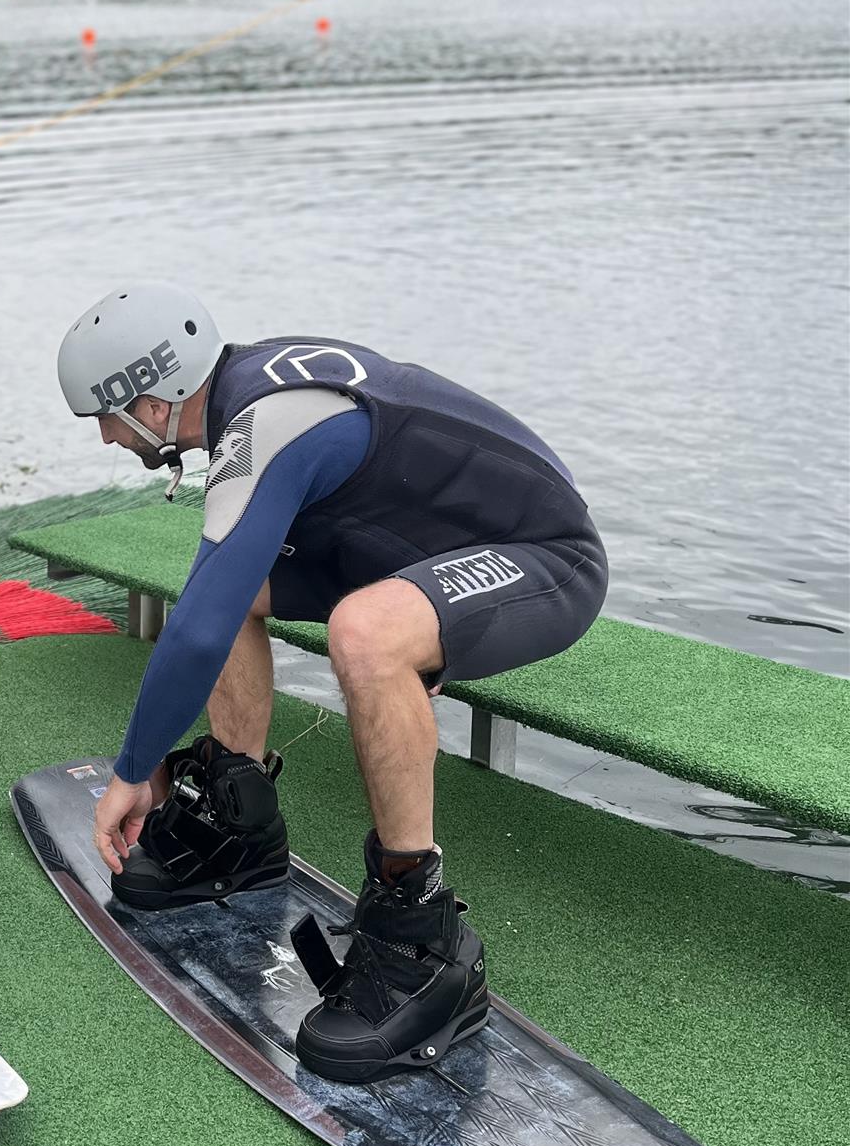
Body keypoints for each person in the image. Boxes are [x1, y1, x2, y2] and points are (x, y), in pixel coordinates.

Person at [55, 282, 608, 1083]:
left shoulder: (266, 422)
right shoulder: (248, 394)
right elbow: (216, 602)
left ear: (153, 394)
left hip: (545, 551)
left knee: (366, 634)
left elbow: (200, 634)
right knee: (231, 580)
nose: (107, 438)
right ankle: (235, 822)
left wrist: (133, 772)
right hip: (420, 545)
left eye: (106, 417)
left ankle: (424, 943)